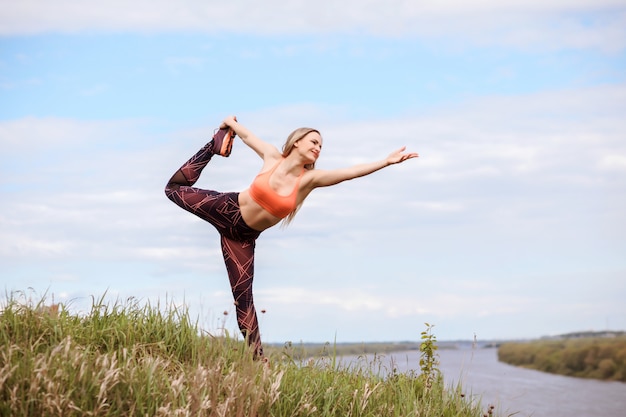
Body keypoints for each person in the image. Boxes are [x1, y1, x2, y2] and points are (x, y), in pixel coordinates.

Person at [165, 115, 418, 358]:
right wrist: (228, 124)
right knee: (173, 189)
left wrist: (386, 162)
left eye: (321, 145)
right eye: (314, 142)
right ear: (297, 141)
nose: (318, 148)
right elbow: (246, 135)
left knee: (244, 300)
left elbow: (350, 172)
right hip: (225, 208)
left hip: (242, 238)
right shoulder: (272, 156)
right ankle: (213, 146)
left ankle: (259, 363)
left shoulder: (309, 179)